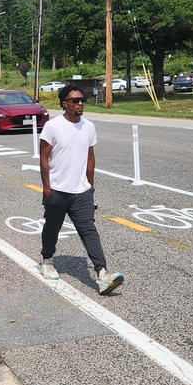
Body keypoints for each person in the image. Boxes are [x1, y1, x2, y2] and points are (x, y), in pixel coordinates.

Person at [38, 85, 124, 294]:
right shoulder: (53, 126)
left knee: (89, 231)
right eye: (75, 100)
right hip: (58, 189)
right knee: (52, 227)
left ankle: (102, 274)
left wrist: (90, 188)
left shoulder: (88, 126)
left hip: (82, 191)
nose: (79, 103)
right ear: (64, 103)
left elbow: (90, 158)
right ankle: (47, 260)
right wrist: (47, 188)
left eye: (81, 100)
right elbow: (43, 158)